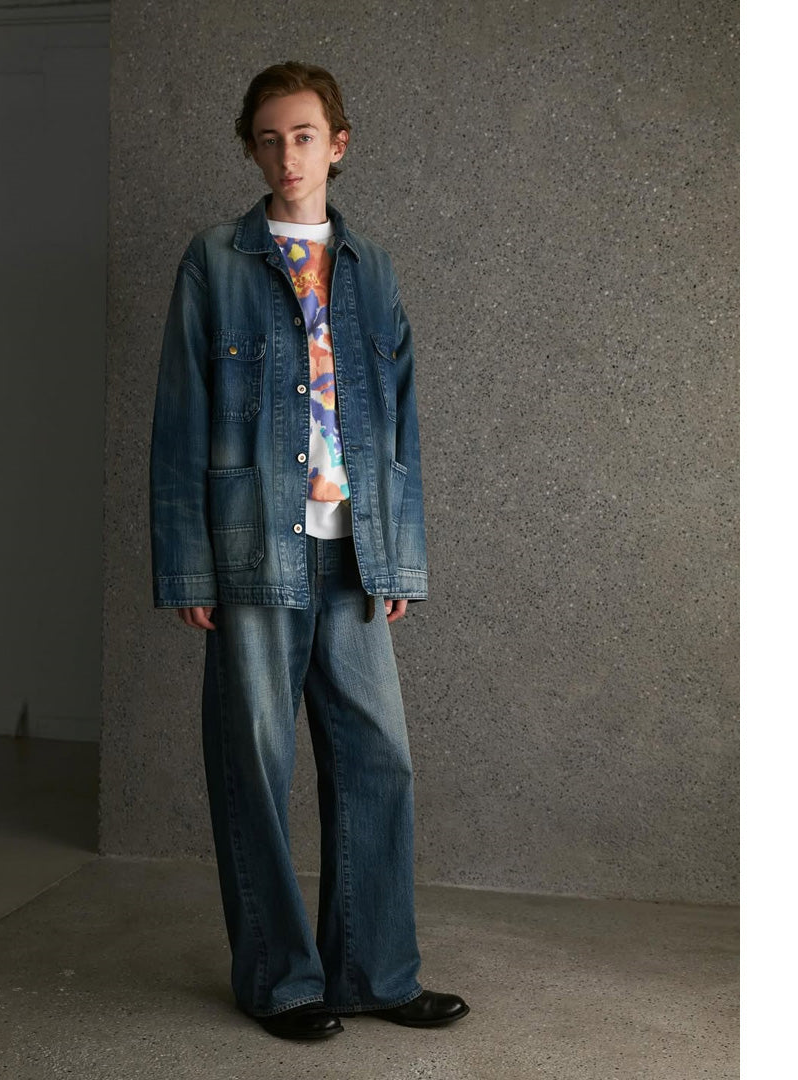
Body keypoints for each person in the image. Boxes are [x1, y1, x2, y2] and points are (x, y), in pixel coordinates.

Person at [148, 61, 469, 1041]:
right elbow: (180, 418)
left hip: (354, 554)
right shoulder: (215, 261)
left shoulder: (373, 269)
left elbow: (401, 428)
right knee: (254, 764)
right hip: (253, 549)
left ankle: (372, 972)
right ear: (252, 150)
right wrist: (190, 566)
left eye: (303, 136)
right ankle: (281, 981)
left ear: (338, 143)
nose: (286, 156)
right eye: (268, 139)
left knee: (379, 761)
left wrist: (399, 557)